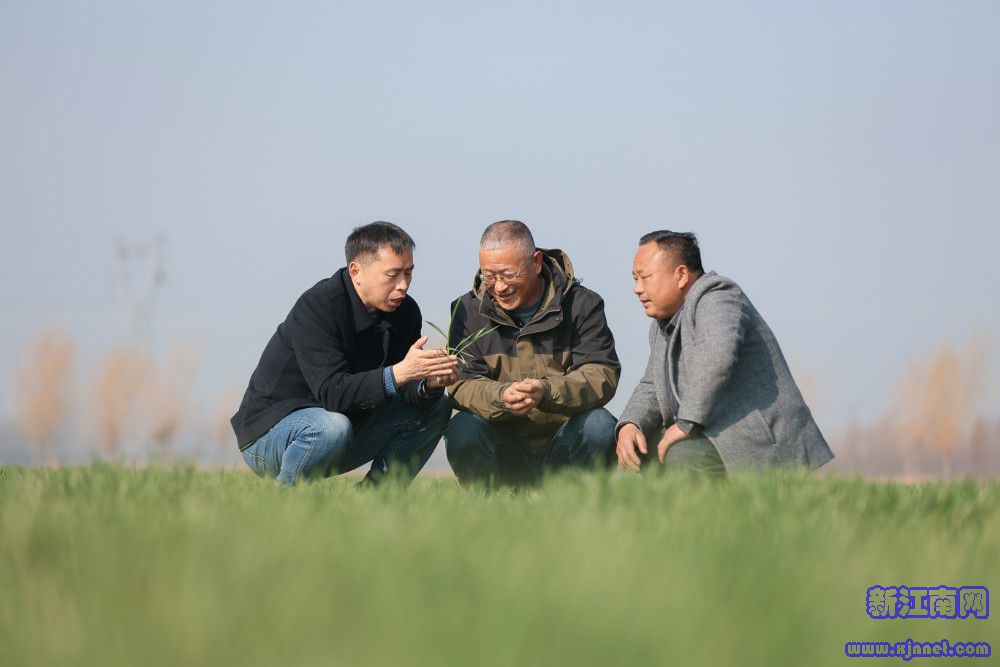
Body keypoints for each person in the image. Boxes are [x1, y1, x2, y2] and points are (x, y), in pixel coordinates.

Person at [230, 221, 457, 486]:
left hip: (343, 429)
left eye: (408, 273)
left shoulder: (406, 312)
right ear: (356, 271)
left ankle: (377, 498)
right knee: (331, 427)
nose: (403, 285)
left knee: (438, 405)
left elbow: (403, 387)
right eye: (392, 275)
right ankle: (285, 498)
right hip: (271, 435)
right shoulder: (318, 306)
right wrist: (399, 374)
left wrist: (427, 386)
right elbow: (332, 394)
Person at [616, 230, 834, 475]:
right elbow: (652, 384)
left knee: (681, 455)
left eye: (645, 277)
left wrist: (686, 423)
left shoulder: (717, 296)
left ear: (681, 275)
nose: (637, 288)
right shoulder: (662, 326)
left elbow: (717, 358)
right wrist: (630, 424)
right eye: (635, 279)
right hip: (707, 434)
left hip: (752, 440)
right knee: (633, 453)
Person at [444, 220, 621, 486]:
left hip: (564, 442)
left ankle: (582, 499)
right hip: (504, 447)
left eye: (508, 274)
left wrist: (546, 391)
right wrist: (502, 397)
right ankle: (488, 503)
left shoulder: (582, 305)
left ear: (536, 262)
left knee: (600, 425)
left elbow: (601, 373)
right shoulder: (467, 312)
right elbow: (461, 383)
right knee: (462, 428)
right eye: (489, 276)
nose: (499, 286)